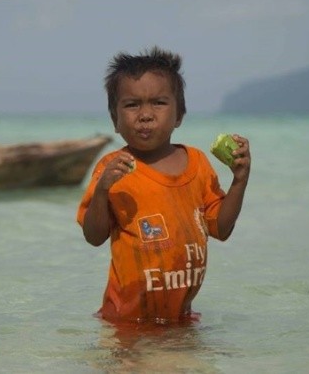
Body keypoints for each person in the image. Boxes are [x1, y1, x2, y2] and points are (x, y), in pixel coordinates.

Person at [75, 46, 251, 324]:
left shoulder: (197, 163)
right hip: (126, 321)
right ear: (114, 119)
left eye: (158, 102)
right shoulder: (112, 168)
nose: (145, 114)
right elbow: (94, 237)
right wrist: (102, 190)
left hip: (181, 319)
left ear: (179, 114)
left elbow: (221, 228)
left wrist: (239, 180)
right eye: (132, 105)